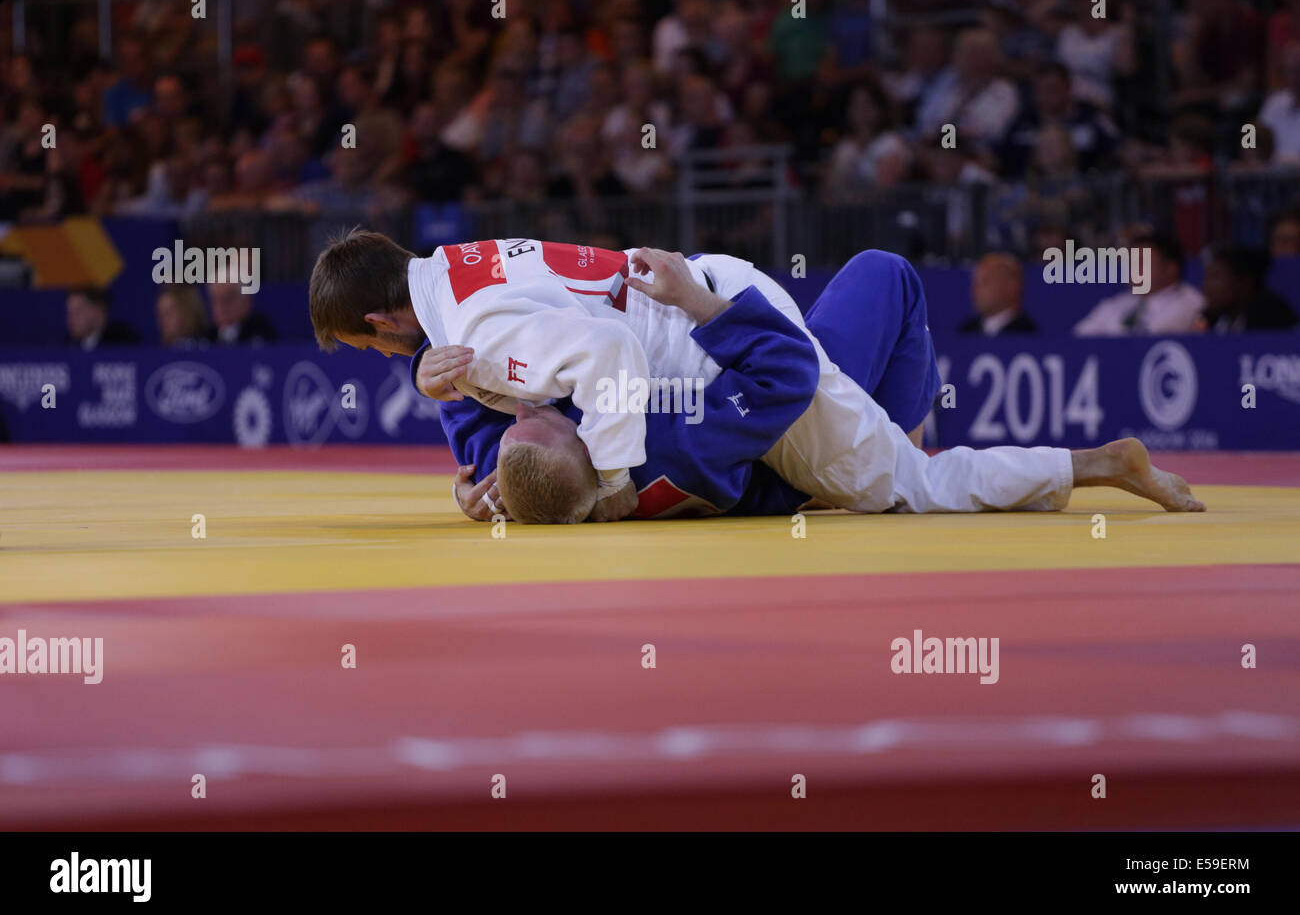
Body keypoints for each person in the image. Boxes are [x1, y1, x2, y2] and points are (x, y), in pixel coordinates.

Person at [418, 250, 1204, 524]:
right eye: (546, 417)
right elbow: (785, 373)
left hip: (763, 410)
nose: (532, 404)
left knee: (885, 277)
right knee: (917, 481)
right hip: (797, 431)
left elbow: (512, 442)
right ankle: (1096, 462)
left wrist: (443, 398)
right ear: (588, 450)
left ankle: (906, 438)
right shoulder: (665, 435)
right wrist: (699, 301)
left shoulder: (561, 489)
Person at [308, 234, 942, 523]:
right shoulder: (459, 270)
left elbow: (526, 374)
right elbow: (502, 396)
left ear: (380, 318)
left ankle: (900, 470)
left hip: (717, 349)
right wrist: (489, 489)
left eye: (370, 344)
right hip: (721, 344)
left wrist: (610, 483)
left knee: (879, 456)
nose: (385, 357)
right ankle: (900, 467)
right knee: (885, 273)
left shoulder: (477, 329)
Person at [1073, 234, 1204, 336]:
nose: (1132, 269)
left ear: (1170, 268)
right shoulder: (1118, 302)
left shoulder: (1189, 302)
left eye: (1141, 262)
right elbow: (1079, 337)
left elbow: (1148, 340)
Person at [1197, 244, 1299, 332]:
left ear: (1244, 282)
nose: (1206, 285)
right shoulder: (1212, 317)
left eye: (1215, 277)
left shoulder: (1272, 316)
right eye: (1206, 277)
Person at [958, 253, 1038, 335]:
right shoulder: (967, 331)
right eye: (975, 283)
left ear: (1011, 287)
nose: (975, 290)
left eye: (985, 282)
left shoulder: (1026, 333)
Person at [65, 289, 140, 350]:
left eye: (78, 311)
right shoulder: (66, 346)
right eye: (69, 312)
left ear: (98, 311)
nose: (71, 318)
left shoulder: (122, 342)